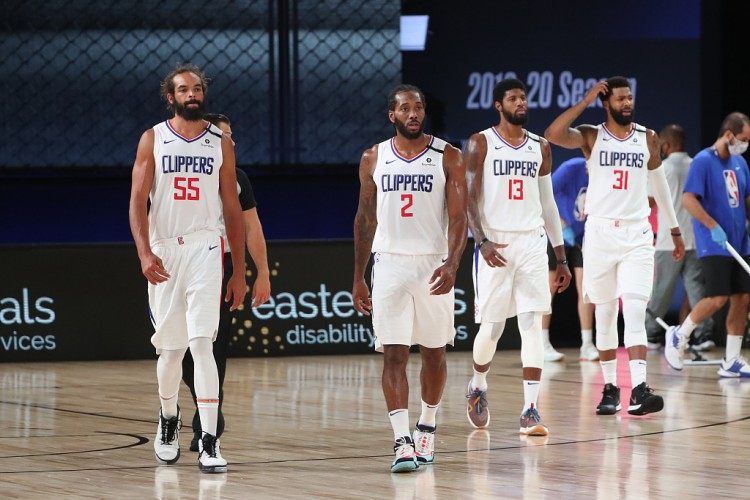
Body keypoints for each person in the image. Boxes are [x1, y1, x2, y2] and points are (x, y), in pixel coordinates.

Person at [129, 64, 247, 473]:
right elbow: (137, 202)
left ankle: (210, 440)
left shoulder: (220, 143)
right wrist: (144, 253)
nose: (192, 94)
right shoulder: (153, 138)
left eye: (197, 88)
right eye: (184, 89)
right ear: (171, 97)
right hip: (165, 250)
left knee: (202, 345)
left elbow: (233, 209)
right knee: (171, 350)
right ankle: (168, 417)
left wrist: (239, 271)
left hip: (206, 248)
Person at [545, 76, 685, 416]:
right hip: (600, 234)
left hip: (637, 234)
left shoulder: (647, 137)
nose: (627, 103)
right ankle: (610, 388)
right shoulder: (592, 136)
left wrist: (674, 229)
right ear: (606, 103)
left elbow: (660, 187)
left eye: (629, 98)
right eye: (620, 99)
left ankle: (639, 388)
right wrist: (586, 100)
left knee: (634, 310)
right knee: (605, 314)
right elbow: (553, 134)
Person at [352, 84, 468, 473]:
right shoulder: (373, 157)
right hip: (389, 263)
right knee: (394, 354)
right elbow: (365, 218)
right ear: (393, 115)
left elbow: (459, 217)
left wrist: (452, 264)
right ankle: (402, 441)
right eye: (405, 108)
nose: (413, 113)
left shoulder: (448, 155)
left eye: (418, 107)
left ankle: (427, 425)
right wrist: (358, 276)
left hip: (433, 263)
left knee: (434, 352)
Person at [464, 78, 572, 436]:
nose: (520, 103)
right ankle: (478, 384)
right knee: (493, 328)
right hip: (495, 243)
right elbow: (469, 198)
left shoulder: (540, 146)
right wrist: (481, 241)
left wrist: (560, 256)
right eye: (513, 98)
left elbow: (548, 203)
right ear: (499, 105)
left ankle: (530, 410)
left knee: (531, 324)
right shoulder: (481, 142)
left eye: (523, 98)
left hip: (532, 243)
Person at [181, 113, 271, 452]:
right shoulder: (183, 171)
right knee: (180, 350)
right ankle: (205, 406)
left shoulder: (238, 178)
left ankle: (207, 424)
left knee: (214, 346)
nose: (231, 141)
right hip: (183, 261)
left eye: (232, 135)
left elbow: (252, 227)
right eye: (224, 135)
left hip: (223, 264)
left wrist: (260, 272)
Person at [664, 112, 750, 376]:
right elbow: (689, 199)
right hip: (714, 243)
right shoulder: (703, 161)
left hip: (740, 242)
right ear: (729, 135)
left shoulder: (740, 163)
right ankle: (680, 335)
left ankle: (731, 360)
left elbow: (746, 199)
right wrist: (713, 227)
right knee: (717, 298)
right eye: (743, 139)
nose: (745, 144)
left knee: (742, 297)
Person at [646, 125, 714, 350]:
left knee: (661, 291)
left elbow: (649, 201)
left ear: (666, 144)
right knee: (697, 291)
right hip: (695, 240)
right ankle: (704, 335)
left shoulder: (662, 168)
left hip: (669, 242)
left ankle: (651, 334)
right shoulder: (697, 166)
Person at [541, 157, 598, 362]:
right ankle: (542, 344)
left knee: (586, 289)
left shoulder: (604, 174)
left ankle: (587, 344)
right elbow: (542, 196)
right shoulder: (569, 168)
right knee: (551, 287)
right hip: (558, 234)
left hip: (584, 236)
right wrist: (561, 224)